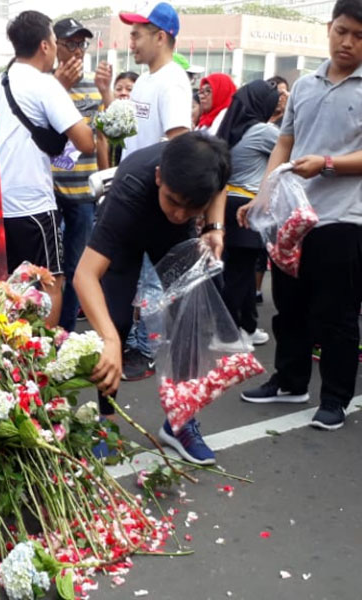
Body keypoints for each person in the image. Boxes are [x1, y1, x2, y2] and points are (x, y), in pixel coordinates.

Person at [238, 0, 362, 431]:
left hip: (341, 220)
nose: (347, 42)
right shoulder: (305, 85)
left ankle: (335, 398)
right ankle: (290, 380)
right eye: (341, 31)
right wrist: (262, 196)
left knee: (334, 315)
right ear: (329, 27)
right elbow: (284, 144)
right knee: (288, 307)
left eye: (360, 35)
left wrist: (328, 163)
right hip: (292, 218)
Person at [74, 132, 231, 464]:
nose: (178, 212)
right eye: (173, 200)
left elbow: (220, 187)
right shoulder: (132, 187)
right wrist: (109, 339)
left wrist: (214, 226)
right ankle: (108, 422)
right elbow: (85, 275)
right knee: (114, 320)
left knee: (191, 321)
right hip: (128, 232)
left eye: (191, 207)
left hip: (174, 241)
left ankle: (181, 422)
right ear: (160, 177)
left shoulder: (209, 164)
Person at [0, 10, 96, 328]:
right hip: (34, 204)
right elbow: (86, 142)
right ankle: (43, 357)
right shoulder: (46, 86)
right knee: (50, 282)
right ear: (45, 45)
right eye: (57, 42)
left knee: (10, 285)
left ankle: (11, 355)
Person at [51, 17, 113, 332]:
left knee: (78, 269)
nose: (77, 51)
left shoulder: (94, 87)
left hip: (84, 194)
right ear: (53, 45)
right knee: (47, 269)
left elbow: (103, 136)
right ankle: (42, 334)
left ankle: (64, 334)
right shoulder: (44, 84)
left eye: (81, 44)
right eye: (70, 43)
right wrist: (57, 87)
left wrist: (105, 184)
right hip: (49, 192)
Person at [215, 80, 280, 348]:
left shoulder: (230, 128)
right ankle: (226, 335)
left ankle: (248, 326)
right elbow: (293, 147)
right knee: (240, 273)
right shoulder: (264, 131)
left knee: (239, 269)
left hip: (226, 201)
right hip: (247, 204)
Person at [119, 2, 192, 158]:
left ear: (160, 38)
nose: (131, 45)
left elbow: (179, 148)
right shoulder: (143, 79)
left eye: (136, 36)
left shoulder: (173, 81)